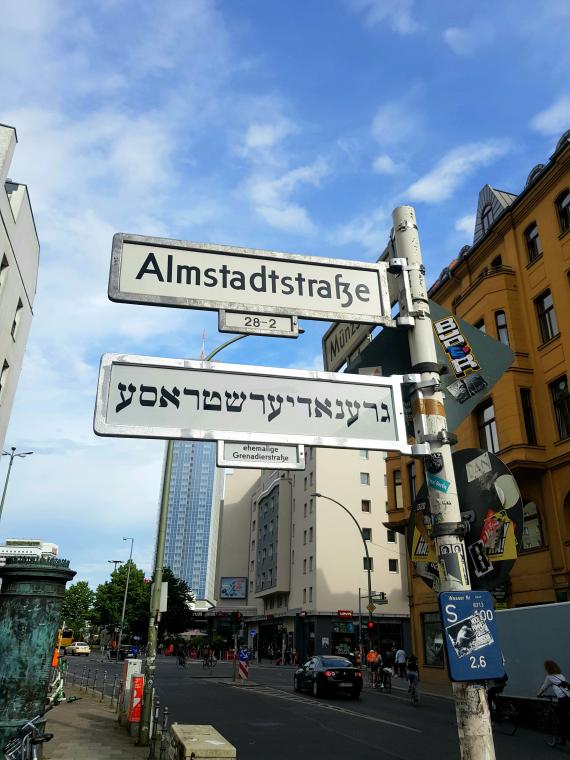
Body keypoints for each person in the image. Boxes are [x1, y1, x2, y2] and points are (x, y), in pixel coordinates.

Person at [537, 660, 570, 746]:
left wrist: (539, 694)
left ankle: (563, 741)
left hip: (563, 699)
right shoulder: (561, 675)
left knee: (563, 719)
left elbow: (544, 687)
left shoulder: (549, 677)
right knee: (565, 718)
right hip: (568, 697)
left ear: (548, 668)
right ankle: (565, 736)